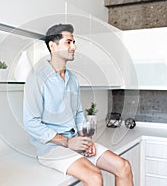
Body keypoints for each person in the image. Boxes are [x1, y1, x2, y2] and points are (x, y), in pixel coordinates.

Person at [23, 23, 133, 186]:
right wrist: (67, 142)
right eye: (69, 42)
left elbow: (78, 114)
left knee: (124, 166)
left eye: (73, 42)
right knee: (95, 177)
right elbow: (31, 122)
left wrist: (86, 139)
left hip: (75, 140)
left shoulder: (73, 79)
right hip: (51, 147)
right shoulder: (36, 79)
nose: (74, 46)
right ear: (53, 46)